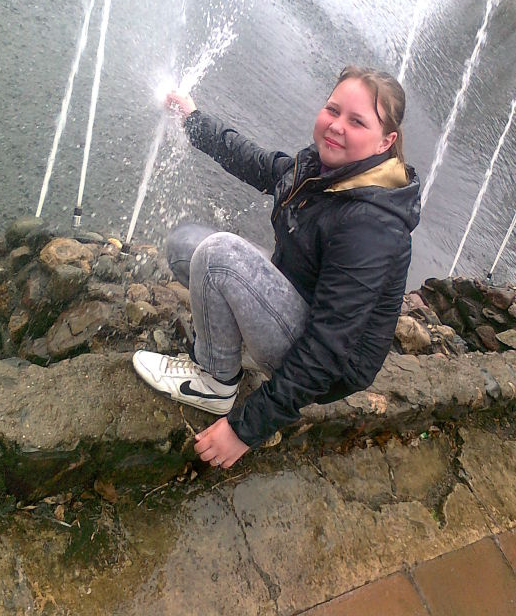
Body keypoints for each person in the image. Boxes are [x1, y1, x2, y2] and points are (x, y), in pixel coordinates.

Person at [133, 65, 421, 469]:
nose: (336, 126)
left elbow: (329, 347)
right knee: (186, 247)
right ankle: (226, 350)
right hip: (298, 304)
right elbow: (253, 162)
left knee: (218, 257)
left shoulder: (372, 225)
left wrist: (244, 430)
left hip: (328, 365)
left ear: (385, 141)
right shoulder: (322, 170)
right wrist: (192, 119)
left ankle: (215, 382)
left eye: (357, 121)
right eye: (333, 110)